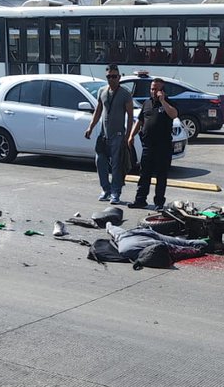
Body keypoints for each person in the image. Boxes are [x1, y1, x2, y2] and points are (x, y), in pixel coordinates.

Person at [85, 65, 134, 206]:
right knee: (100, 161)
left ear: (119, 77)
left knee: (117, 166)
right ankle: (105, 189)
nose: (111, 79)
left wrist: (128, 135)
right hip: (103, 134)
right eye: (109, 76)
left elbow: (130, 116)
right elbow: (98, 111)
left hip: (118, 135)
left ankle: (115, 192)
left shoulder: (125, 94)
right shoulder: (102, 91)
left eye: (114, 76)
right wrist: (90, 127)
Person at [127, 77, 178, 210]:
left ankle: (159, 203)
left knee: (161, 176)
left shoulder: (168, 103)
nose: (153, 91)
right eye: (152, 89)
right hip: (148, 146)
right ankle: (140, 200)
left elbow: (174, 115)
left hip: (163, 147)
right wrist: (131, 135)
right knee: (144, 175)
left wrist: (162, 101)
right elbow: (139, 121)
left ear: (162, 91)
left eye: (156, 89)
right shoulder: (146, 103)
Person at [105, 220, 207, 264]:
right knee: (182, 243)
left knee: (185, 244)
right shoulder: (121, 239)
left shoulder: (126, 247)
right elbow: (111, 229)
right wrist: (108, 224)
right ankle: (201, 243)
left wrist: (196, 250)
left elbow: (173, 247)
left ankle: (202, 243)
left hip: (142, 235)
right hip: (132, 234)